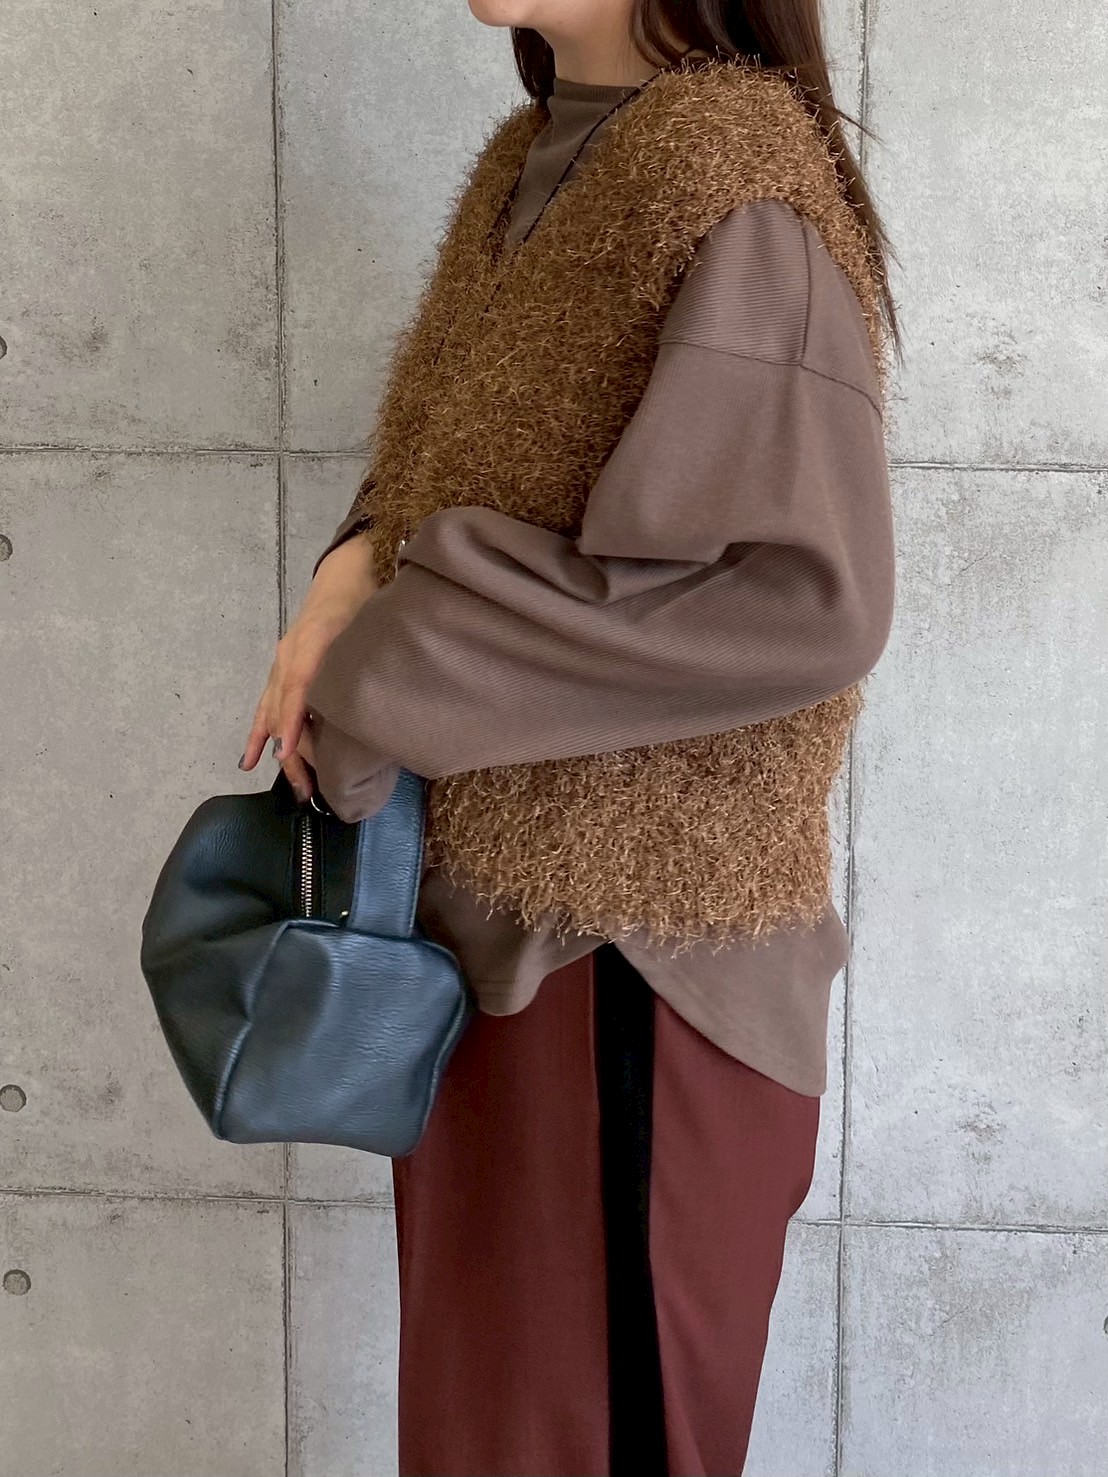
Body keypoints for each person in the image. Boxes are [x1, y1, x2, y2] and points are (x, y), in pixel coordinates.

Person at [240, 3, 900, 1473]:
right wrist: (356, 556)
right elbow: (466, 462)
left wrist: (382, 662)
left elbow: (803, 594)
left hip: (633, 973)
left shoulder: (733, 181)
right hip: (489, 946)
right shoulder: (536, 157)